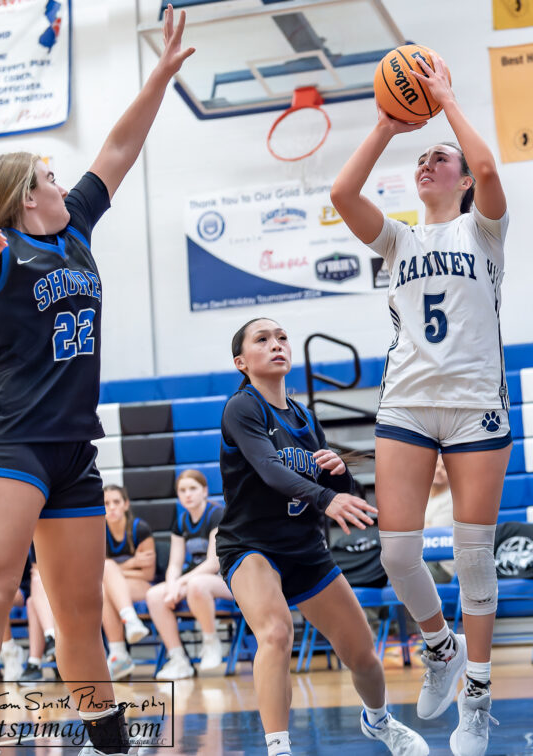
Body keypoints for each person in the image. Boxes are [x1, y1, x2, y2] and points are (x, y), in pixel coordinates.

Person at [0, 7, 194, 754]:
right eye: (50, 177)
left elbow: (120, 148)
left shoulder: (74, 230)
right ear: (26, 195)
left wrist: (158, 76)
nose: (63, 182)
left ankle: (108, 740)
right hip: (11, 439)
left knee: (76, 614)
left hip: (73, 450)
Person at [331, 52, 510, 755]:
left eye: (443, 157)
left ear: (461, 179)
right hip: (406, 401)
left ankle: (478, 700)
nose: (429, 162)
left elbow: (491, 172)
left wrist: (445, 102)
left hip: (474, 405)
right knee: (398, 553)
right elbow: (344, 194)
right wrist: (386, 122)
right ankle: (441, 648)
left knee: (472, 556)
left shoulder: (483, 231)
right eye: (424, 156)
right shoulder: (398, 239)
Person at [217, 317, 428, 756]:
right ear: (242, 362)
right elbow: (271, 471)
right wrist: (325, 498)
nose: (276, 345)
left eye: (281, 338)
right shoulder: (242, 407)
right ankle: (279, 748)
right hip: (252, 547)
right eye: (262, 340)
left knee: (364, 655)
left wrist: (341, 473)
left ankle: (380, 722)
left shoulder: (305, 418)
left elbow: (341, 494)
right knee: (275, 633)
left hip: (305, 550)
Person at [145, 470, 232, 680]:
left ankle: (211, 643)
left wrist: (180, 582)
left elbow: (213, 563)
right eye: (182, 490)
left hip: (226, 580)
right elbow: (174, 563)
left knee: (197, 584)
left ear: (204, 491)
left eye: (193, 488)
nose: (188, 494)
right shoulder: (181, 521)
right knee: (154, 596)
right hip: (196, 580)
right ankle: (178, 659)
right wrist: (172, 583)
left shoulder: (217, 515)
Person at [102, 484, 155, 681]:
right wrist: (132, 563)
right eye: (106, 503)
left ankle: (118, 653)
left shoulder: (139, 529)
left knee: (106, 573)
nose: (111, 507)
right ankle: (129, 623)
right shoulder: (98, 532)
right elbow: (96, 575)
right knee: (104, 585)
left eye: (116, 502)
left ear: (126, 504)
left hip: (144, 586)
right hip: (117, 589)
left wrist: (114, 574)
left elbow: (148, 574)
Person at [424, 457, 455, 583]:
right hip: (420, 559)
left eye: (444, 468)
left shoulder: (453, 499)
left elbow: (432, 536)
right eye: (436, 466)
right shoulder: (421, 495)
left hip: (442, 567)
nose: (438, 471)